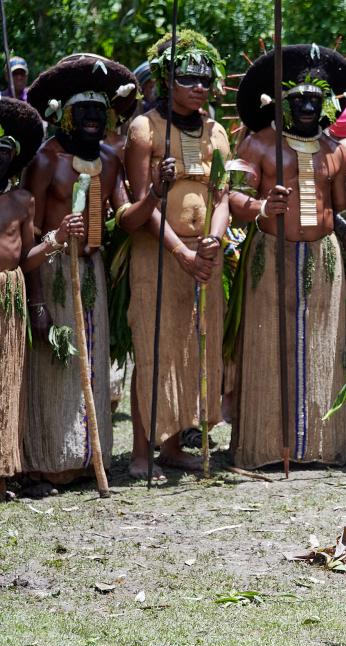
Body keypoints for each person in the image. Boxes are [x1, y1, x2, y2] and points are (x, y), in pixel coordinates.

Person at [21, 54, 153, 495]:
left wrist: (156, 194)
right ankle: (51, 462)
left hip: (92, 270)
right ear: (67, 116)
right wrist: (37, 300)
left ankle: (87, 458)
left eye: (102, 111)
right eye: (85, 112)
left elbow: (127, 217)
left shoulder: (112, 161)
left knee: (92, 363)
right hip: (54, 270)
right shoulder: (46, 161)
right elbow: (27, 239)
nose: (95, 119)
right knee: (56, 365)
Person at [227, 44, 346, 469]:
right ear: (281, 101)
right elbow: (231, 198)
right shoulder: (257, 145)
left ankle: (316, 445)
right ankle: (267, 445)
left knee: (321, 343)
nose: (304, 106)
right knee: (270, 341)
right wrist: (262, 208)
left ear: (326, 104)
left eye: (313, 99)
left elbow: (341, 209)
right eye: (297, 98)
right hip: (272, 253)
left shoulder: (334, 150)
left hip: (324, 257)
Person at [122, 30, 231, 480]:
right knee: (154, 346)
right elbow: (136, 203)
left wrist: (213, 241)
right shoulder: (144, 128)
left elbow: (222, 195)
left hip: (204, 257)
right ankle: (142, 451)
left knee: (192, 347)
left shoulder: (216, 131)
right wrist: (180, 250)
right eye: (189, 79)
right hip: (159, 253)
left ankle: (172, 445)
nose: (201, 87)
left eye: (206, 80)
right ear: (167, 80)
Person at [0, 98, 45, 499]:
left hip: (10, 292)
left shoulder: (22, 201)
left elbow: (27, 258)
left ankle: (2, 473)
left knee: (7, 380)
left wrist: (55, 243)